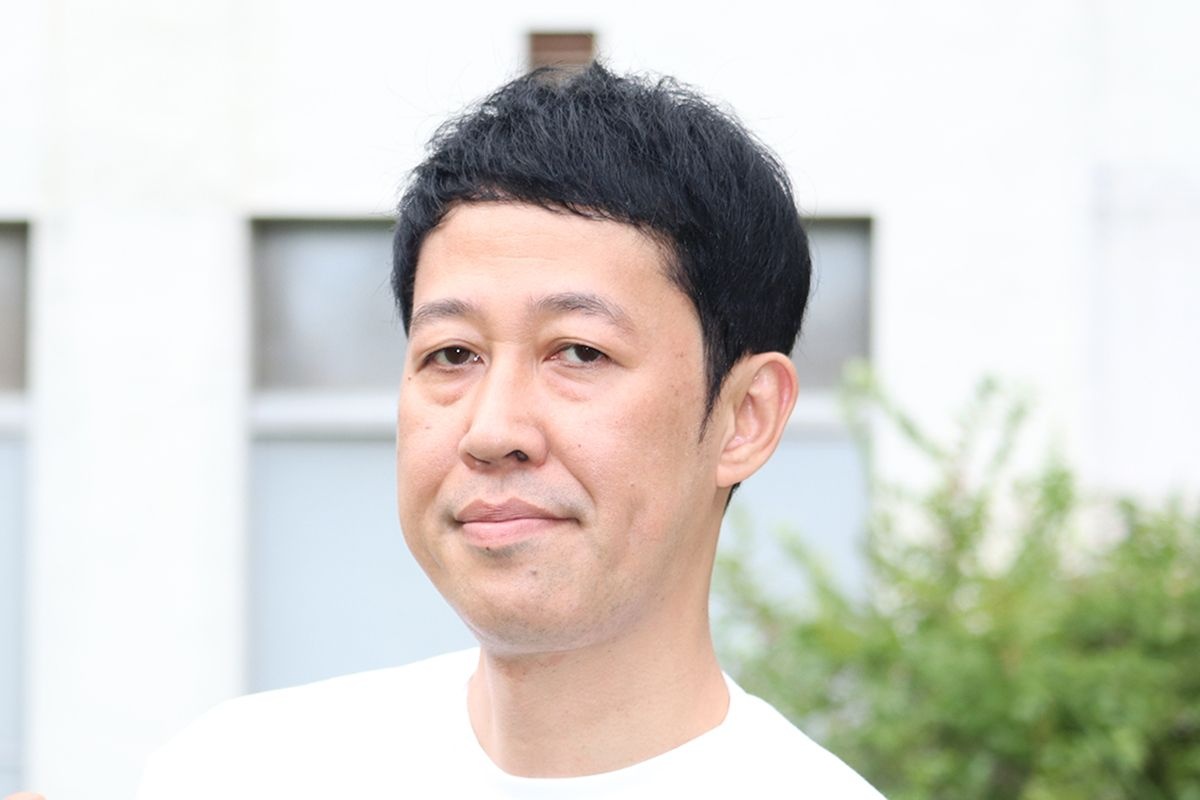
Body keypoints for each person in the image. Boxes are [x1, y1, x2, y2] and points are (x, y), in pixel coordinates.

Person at [9, 63, 884, 799]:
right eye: (452, 353)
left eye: (579, 352)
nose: (492, 430)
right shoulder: (237, 772)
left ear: (745, 418)